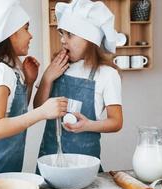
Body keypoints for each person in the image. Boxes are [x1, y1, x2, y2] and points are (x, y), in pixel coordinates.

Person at [0, 0, 68, 184]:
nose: (30, 35)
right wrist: (41, 112)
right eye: (26, 28)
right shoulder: (1, 71)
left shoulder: (10, 70)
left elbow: (14, 113)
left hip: (2, 162)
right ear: (10, 34)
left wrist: (29, 83)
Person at [34, 0, 123, 171]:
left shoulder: (107, 75)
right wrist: (47, 78)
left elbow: (116, 122)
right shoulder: (58, 66)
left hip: (85, 164)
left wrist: (88, 125)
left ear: (89, 39)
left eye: (69, 35)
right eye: (62, 34)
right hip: (50, 162)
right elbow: (38, 107)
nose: (62, 40)